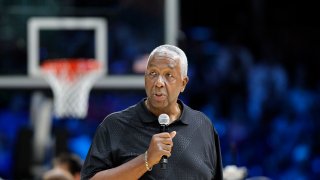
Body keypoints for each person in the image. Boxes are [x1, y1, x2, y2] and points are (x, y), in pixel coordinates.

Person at [81, 44, 223, 179]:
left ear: (183, 83)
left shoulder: (203, 125)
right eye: (153, 73)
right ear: (145, 78)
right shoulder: (114, 126)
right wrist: (146, 159)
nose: (159, 82)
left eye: (169, 75)